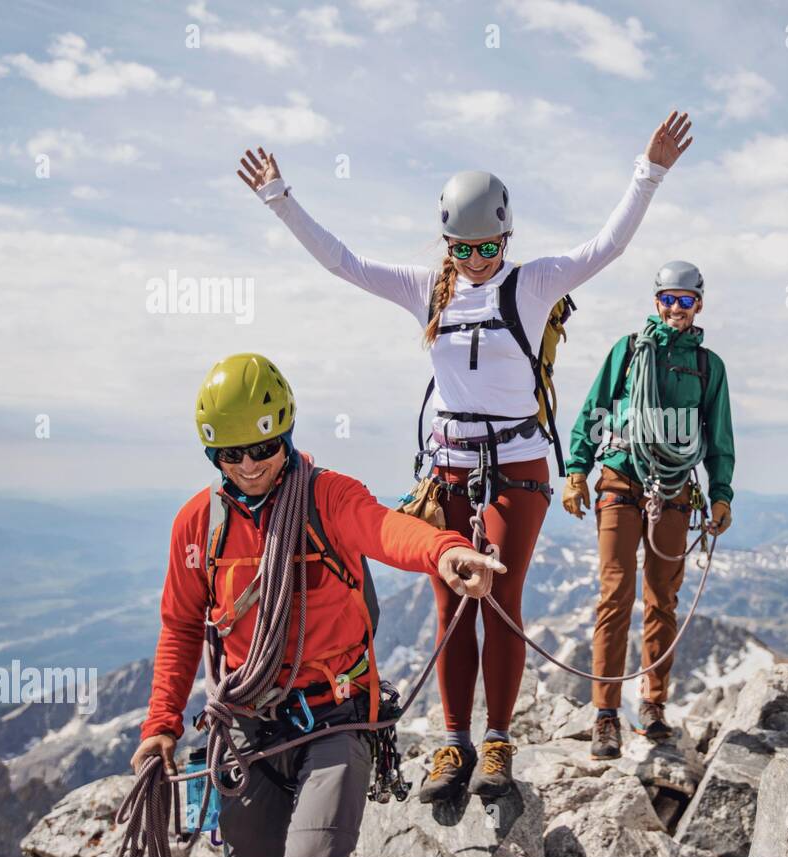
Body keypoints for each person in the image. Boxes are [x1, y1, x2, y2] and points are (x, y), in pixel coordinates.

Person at [235, 110, 694, 800]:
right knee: (450, 600)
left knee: (500, 598)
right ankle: (455, 742)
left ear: (506, 238)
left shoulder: (534, 283)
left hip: (516, 469)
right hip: (447, 469)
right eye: (463, 248)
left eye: (487, 248)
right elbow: (344, 261)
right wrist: (280, 198)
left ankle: (500, 739)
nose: (476, 260)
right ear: (446, 243)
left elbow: (610, 245)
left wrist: (648, 170)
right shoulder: (427, 289)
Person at [130, 353, 501, 857]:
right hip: (249, 720)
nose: (248, 465)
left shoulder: (328, 497)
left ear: (284, 434)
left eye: (261, 447)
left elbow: (384, 529)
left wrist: (445, 551)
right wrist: (160, 726)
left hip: (335, 715)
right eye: (230, 454)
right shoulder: (199, 524)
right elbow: (180, 627)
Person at [562, 261, 734, 759]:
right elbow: (595, 410)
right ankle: (605, 714)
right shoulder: (629, 351)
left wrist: (721, 493)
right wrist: (577, 470)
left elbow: (719, 436)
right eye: (668, 299)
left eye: (685, 300)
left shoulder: (708, 367)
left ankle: (653, 705)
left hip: (676, 487)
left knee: (662, 598)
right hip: (620, 477)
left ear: (698, 304)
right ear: (656, 301)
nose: (675, 308)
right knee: (615, 594)